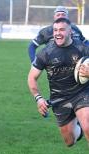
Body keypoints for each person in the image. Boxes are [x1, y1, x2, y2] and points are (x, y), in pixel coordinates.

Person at [28, 18, 89, 147]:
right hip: (59, 98)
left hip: (82, 93)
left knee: (87, 126)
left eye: (62, 29)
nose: (57, 33)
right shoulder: (45, 53)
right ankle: (77, 127)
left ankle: (81, 119)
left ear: (70, 31)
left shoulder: (83, 49)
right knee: (69, 141)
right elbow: (32, 78)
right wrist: (38, 98)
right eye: (55, 30)